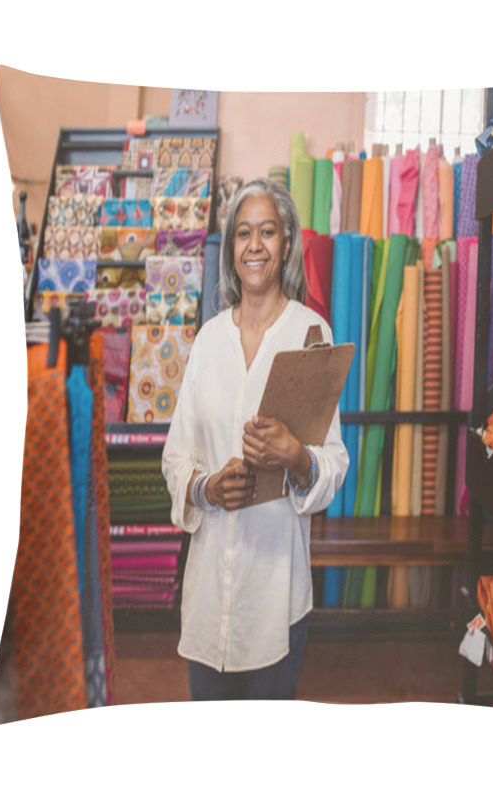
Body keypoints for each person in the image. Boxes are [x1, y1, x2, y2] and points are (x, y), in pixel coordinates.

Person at [161, 178, 349, 701]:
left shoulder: (311, 335)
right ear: (231, 248)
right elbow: (176, 458)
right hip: (207, 600)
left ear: (286, 241)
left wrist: (296, 457)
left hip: (274, 598)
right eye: (244, 233)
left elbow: (334, 461)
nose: (255, 245)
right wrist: (208, 488)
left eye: (267, 231)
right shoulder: (208, 341)